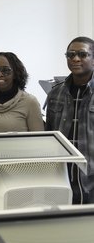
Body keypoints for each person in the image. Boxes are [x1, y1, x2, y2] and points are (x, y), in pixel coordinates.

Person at [45, 36, 94, 204]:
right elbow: (49, 134)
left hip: (91, 179)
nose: (75, 58)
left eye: (82, 54)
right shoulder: (55, 93)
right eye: (70, 54)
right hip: (62, 177)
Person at [0, 52, 44, 133]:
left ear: (15, 73)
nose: (0, 74)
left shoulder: (30, 102)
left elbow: (39, 140)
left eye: (6, 70)